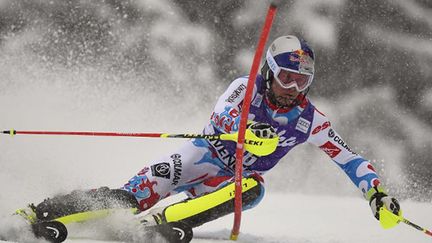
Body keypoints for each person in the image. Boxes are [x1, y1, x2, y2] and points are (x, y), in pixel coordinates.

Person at [24, 35, 401, 233]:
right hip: (197, 159)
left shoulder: (310, 120)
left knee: (254, 189)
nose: (293, 87)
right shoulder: (245, 86)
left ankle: (166, 222)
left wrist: (377, 195)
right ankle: (43, 210)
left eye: (302, 80)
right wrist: (248, 132)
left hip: (228, 182)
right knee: (130, 198)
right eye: (286, 77)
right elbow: (220, 117)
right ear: (270, 72)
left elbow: (349, 159)